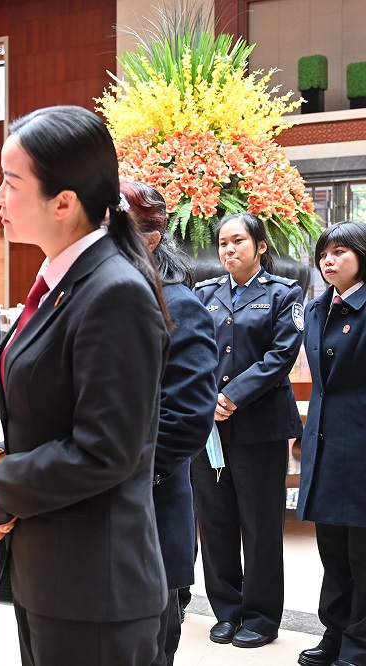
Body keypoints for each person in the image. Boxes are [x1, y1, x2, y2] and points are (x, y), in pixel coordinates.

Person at [0, 106, 171, 666]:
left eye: (11, 183)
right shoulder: (63, 281)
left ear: (63, 202)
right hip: (51, 576)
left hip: (94, 586)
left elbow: (105, 450)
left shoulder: (113, 291)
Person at [192, 211, 303, 649]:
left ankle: (260, 616)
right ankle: (226, 609)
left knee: (260, 526)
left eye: (238, 240)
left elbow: (280, 356)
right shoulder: (204, 293)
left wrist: (231, 396)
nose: (228, 249)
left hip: (260, 427)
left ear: (260, 246)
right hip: (210, 429)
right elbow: (192, 351)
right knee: (215, 522)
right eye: (222, 242)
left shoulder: (283, 293)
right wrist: (207, 399)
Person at [122, 180, 218, 666]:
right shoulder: (96, 299)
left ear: (151, 238)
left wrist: (108, 473)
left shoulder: (178, 306)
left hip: (149, 512)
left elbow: (185, 421)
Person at [296, 221, 366, 666]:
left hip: (359, 444)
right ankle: (335, 633)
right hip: (324, 442)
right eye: (324, 253)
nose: (328, 260)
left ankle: (359, 645)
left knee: (362, 554)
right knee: (332, 550)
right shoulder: (317, 308)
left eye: (340, 252)